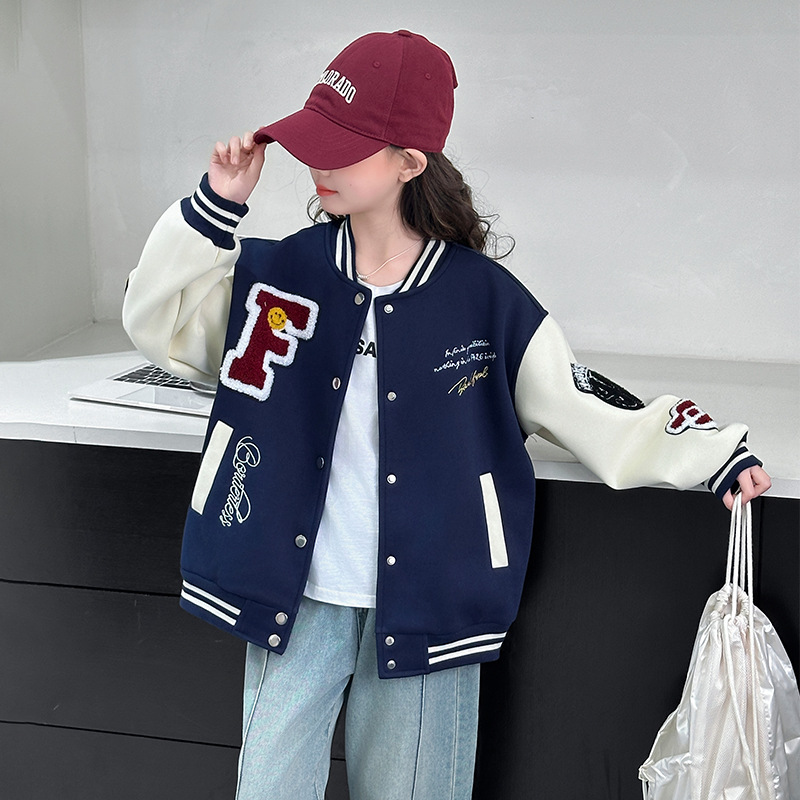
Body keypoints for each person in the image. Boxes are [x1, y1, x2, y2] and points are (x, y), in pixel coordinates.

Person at [122, 29, 771, 800]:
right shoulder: (278, 274)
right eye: (315, 140)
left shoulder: (482, 301)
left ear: (409, 162)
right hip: (294, 594)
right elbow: (160, 323)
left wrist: (709, 451)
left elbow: (581, 401)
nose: (320, 164)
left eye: (345, 147)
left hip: (429, 601)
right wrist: (216, 206)